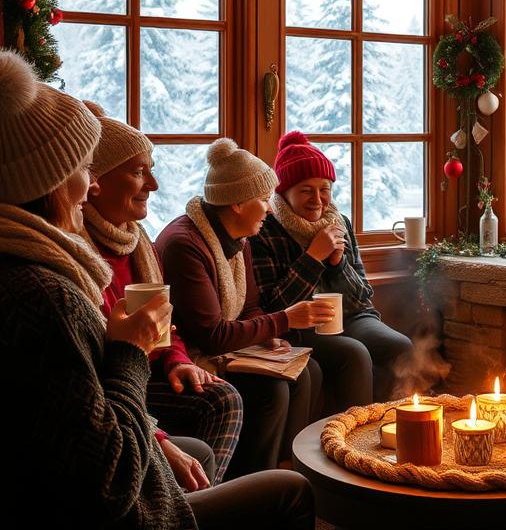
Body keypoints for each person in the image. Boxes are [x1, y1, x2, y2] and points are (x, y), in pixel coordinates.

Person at [0, 50, 313, 528]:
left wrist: (175, 358)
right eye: (85, 169)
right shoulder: (50, 292)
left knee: (278, 387)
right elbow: (110, 478)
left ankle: (215, 490)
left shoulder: (117, 250)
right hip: (133, 495)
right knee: (290, 488)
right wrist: (132, 359)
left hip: (142, 402)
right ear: (54, 181)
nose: (85, 189)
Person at [82, 101, 243, 486]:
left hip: (153, 370)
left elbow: (163, 324)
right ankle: (192, 503)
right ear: (96, 180)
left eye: (151, 172)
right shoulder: (80, 255)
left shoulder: (139, 243)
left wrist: (178, 360)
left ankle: (198, 498)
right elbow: (96, 371)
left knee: (223, 398)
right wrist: (157, 438)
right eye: (139, 173)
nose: (153, 186)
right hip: (118, 381)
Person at [155, 138, 326, 478]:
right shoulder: (185, 245)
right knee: (272, 390)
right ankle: (253, 480)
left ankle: (285, 471)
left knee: (309, 372)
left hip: (223, 348)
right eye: (264, 200)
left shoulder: (238, 238)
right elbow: (212, 335)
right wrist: (283, 320)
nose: (271, 208)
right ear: (236, 203)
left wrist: (266, 336)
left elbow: (248, 306)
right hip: (190, 357)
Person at [251, 131, 413, 408]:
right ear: (283, 192)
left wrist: (338, 264)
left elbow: (362, 296)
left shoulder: (339, 223)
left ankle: (388, 427)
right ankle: (347, 436)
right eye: (306, 190)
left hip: (351, 317)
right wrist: (314, 257)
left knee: (399, 346)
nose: (317, 199)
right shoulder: (266, 229)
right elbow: (273, 305)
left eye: (324, 189)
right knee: (355, 354)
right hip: (299, 325)